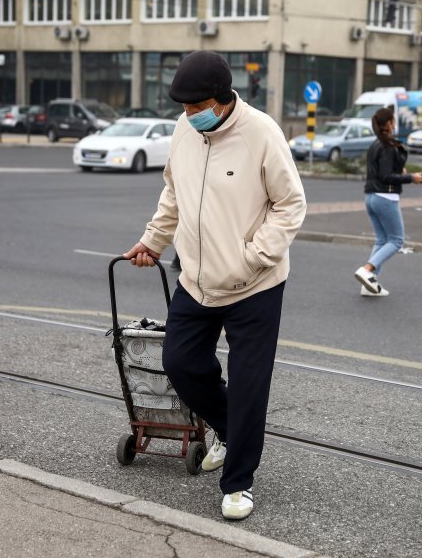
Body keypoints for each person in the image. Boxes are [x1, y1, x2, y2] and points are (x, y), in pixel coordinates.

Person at [123, 50, 306, 520]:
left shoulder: (261, 133)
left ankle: (239, 482)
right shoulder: (186, 130)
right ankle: (229, 430)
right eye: (183, 108)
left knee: (249, 385)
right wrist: (153, 240)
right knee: (179, 363)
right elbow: (173, 192)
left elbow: (291, 205)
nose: (188, 115)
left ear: (223, 100)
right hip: (197, 280)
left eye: (196, 106)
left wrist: (253, 258)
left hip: (255, 286)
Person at [354, 107, 422, 297]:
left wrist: (402, 172)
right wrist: (411, 177)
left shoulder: (375, 144)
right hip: (385, 197)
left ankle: (369, 284)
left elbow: (381, 171)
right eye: (393, 120)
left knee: (381, 240)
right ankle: (367, 269)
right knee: (396, 240)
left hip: (371, 197)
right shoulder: (387, 146)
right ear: (389, 123)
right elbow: (386, 176)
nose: (394, 123)